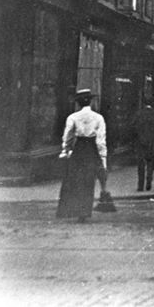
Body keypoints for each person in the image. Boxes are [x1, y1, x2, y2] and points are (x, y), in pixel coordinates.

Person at [56, 89, 107, 222]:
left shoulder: (73, 117)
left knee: (75, 180)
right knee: (88, 181)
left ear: (78, 103)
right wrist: (103, 159)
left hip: (79, 149)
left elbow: (67, 136)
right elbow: (101, 141)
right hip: (91, 150)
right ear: (90, 101)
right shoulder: (98, 118)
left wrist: (65, 150)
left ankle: (75, 209)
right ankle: (84, 212)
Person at [131, 100, 154, 191]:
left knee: (140, 164)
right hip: (151, 143)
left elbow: (132, 127)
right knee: (150, 163)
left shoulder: (138, 114)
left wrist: (136, 139)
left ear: (144, 105)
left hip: (140, 143)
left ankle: (140, 186)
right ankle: (148, 183)